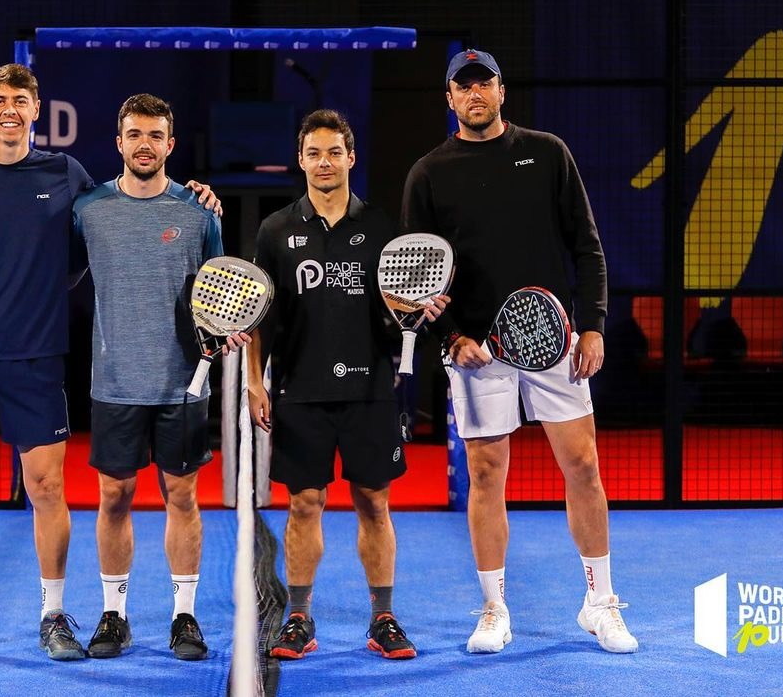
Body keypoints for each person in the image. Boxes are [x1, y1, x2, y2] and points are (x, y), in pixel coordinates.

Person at [0, 66, 218, 663]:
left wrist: (196, 194)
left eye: (20, 101)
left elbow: (121, 214)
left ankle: (53, 615)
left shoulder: (66, 176)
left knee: (47, 488)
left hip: (38, 357)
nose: (9, 110)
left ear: (36, 109)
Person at [401, 49, 638, 655]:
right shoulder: (428, 174)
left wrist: (593, 326)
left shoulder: (549, 153)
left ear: (501, 91)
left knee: (583, 465)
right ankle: (493, 609)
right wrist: (453, 337)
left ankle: (599, 602)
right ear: (449, 99)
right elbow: (418, 274)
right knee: (486, 473)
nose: (475, 93)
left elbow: (586, 246)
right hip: (477, 350)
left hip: (554, 339)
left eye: (484, 83)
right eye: (463, 86)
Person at [248, 109, 441, 661]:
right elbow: (259, 314)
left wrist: (416, 313)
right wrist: (256, 385)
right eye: (314, 153)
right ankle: (299, 618)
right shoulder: (275, 230)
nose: (324, 162)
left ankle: (383, 616)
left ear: (351, 158)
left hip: (370, 389)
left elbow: (401, 308)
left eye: (334, 152)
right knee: (304, 504)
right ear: (300, 160)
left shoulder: (382, 228)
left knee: (374, 503)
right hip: (298, 390)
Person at [71, 93, 245, 662]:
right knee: (114, 495)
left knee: (182, 496)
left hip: (183, 384)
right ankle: (114, 614)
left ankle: (184, 616)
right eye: (134, 135)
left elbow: (223, 289)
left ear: (170, 145)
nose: (144, 145)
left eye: (155, 136)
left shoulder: (200, 213)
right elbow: (62, 277)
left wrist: (223, 333)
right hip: (115, 381)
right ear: (118, 143)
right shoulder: (88, 210)